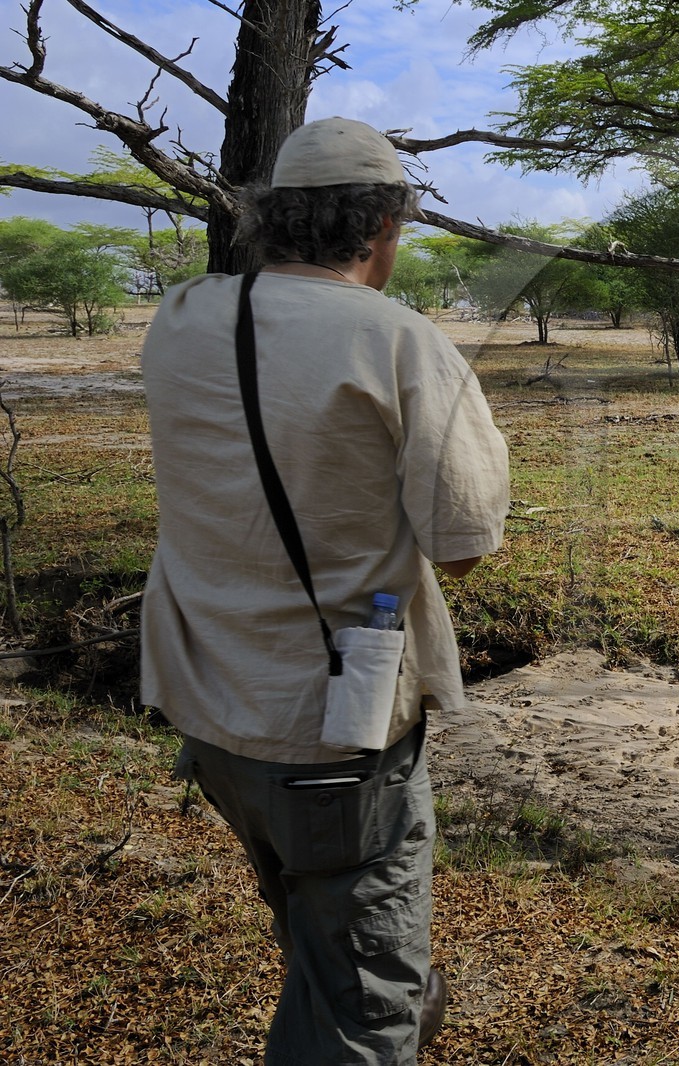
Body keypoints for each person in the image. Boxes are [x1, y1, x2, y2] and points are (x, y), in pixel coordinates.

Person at [140, 117, 509, 1063]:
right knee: (365, 1010)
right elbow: (464, 547)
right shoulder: (402, 342)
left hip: (210, 709)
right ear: (385, 225)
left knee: (318, 946)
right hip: (334, 734)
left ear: (270, 217)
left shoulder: (181, 317)